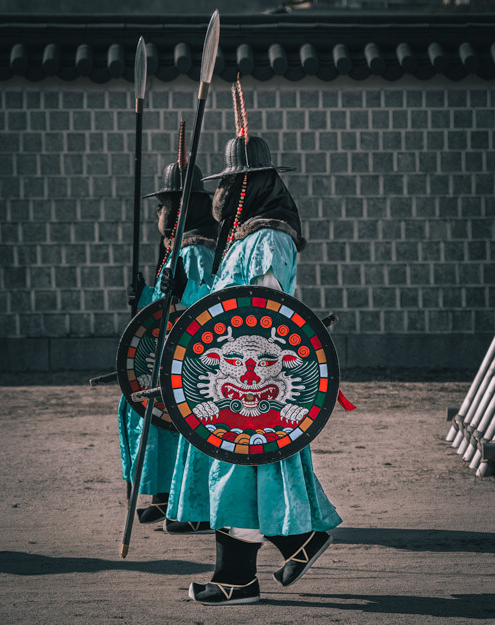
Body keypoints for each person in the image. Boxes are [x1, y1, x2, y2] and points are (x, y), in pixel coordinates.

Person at [166, 80, 342, 605]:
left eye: (230, 184)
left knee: (238, 476)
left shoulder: (269, 237)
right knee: (240, 476)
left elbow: (263, 311)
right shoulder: (245, 238)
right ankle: (292, 542)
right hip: (228, 378)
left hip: (255, 382)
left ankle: (240, 577)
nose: (221, 195)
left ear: (249, 187)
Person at [118, 121, 216, 530]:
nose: (158, 214)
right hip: (162, 348)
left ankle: (188, 506)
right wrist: (141, 298)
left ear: (179, 209)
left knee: (172, 426)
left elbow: (204, 301)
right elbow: (160, 309)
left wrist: (183, 291)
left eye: (163, 207)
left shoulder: (196, 249)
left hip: (190, 354)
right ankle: (162, 495)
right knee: (147, 419)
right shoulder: (172, 248)